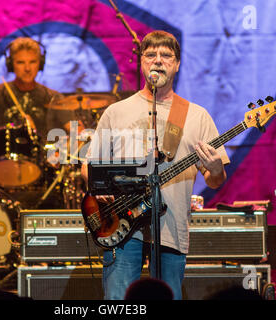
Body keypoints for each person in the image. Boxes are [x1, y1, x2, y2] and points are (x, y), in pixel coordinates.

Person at [81, 30, 230, 300]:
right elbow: (90, 165)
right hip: (121, 226)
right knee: (118, 302)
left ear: (177, 64)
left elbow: (215, 179)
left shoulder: (196, 115)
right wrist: (99, 188)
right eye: (150, 55)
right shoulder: (116, 112)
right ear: (141, 62)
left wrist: (216, 168)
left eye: (166, 55)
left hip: (171, 229)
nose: (158, 61)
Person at [0, 37, 75, 208]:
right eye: (21, 62)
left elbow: (79, 133)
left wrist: (60, 153)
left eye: (32, 62)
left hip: (43, 177)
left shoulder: (53, 97)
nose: (27, 68)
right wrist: (14, 131)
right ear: (11, 64)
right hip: (1, 173)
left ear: (40, 64)